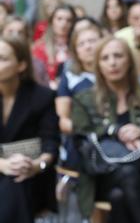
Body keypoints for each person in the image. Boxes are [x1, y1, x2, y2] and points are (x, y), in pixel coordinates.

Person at [71, 37, 140, 223]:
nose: (112, 63)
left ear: (130, 61)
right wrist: (114, 131)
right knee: (127, 176)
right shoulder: (83, 98)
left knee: (119, 195)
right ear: (98, 65)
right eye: (105, 58)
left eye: (118, 56)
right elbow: (80, 137)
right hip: (100, 175)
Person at [0, 36, 59, 223]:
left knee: (16, 182)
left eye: (2, 58)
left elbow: (51, 144)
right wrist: (3, 165)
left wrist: (35, 166)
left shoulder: (42, 97)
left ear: (21, 65)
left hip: (32, 174)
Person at [56, 22, 101, 173]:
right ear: (76, 51)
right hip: (81, 137)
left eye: (92, 41)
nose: (88, 47)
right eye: (81, 44)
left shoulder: (115, 72)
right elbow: (63, 120)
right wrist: (90, 132)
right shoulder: (69, 76)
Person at [32, 3, 75, 89]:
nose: (64, 23)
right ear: (52, 21)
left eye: (68, 20)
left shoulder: (77, 46)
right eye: (59, 19)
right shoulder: (39, 47)